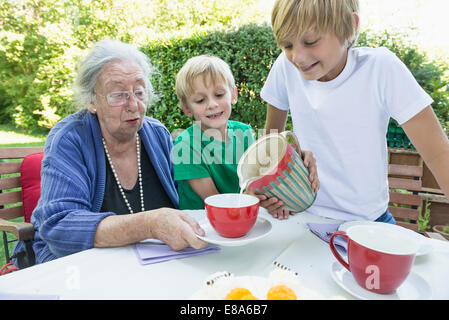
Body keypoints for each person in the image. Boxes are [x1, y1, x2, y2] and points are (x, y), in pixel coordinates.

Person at [13, 40, 207, 267]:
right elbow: (60, 227)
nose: (134, 104)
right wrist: (149, 224)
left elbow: (189, 196)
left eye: (139, 91)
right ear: (91, 100)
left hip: (153, 264)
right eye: (119, 94)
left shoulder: (157, 134)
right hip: (77, 268)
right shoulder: (70, 139)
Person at [261, 0, 449, 223]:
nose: (297, 57)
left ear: (350, 26)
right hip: (306, 218)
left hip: (369, 223)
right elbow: (272, 144)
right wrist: (275, 186)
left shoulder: (380, 69)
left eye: (310, 42)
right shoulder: (285, 68)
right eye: (287, 45)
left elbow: (439, 154)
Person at [173, 55, 319, 218]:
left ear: (233, 95)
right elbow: (216, 205)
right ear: (186, 108)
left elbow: (261, 179)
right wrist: (251, 199)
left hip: (245, 218)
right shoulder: (186, 146)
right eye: (200, 100)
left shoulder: (244, 133)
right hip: (203, 227)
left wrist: (294, 157)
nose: (212, 104)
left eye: (219, 95)